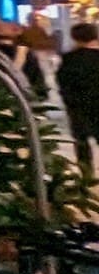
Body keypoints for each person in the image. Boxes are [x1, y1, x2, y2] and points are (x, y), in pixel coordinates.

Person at [61, 22, 99, 167]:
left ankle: (86, 177)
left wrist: (69, 101)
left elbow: (63, 83)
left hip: (78, 107)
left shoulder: (70, 58)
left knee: (82, 142)